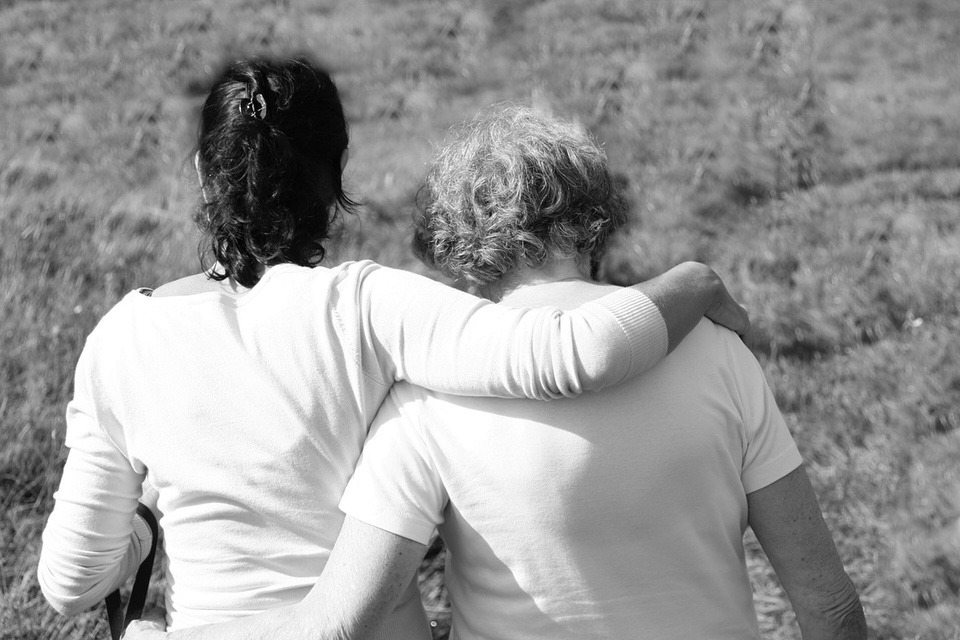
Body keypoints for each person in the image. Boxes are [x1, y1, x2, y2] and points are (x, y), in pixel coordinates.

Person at [38, 58, 748, 633]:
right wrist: (696, 279)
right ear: (336, 175)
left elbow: (70, 585)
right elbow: (580, 353)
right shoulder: (368, 305)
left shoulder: (121, 336)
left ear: (201, 174)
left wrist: (142, 531)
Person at [128, 105, 867, 640]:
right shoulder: (716, 351)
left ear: (458, 246)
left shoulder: (423, 397)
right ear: (593, 218)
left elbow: (338, 624)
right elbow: (828, 607)